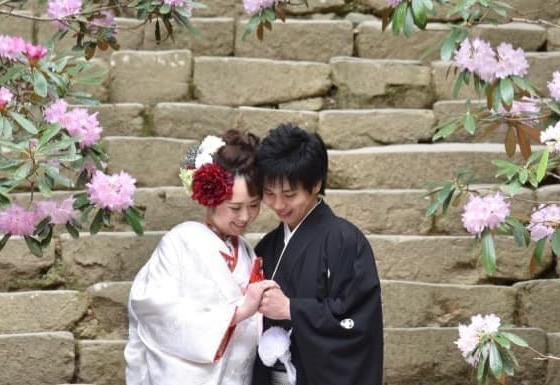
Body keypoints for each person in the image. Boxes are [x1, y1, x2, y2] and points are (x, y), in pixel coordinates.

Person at [125, 129, 277, 385]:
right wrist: (237, 313)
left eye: (254, 205)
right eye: (235, 207)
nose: (245, 217)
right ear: (210, 198)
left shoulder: (247, 252)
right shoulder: (180, 242)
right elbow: (154, 310)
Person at [252, 124, 384, 385]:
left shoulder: (345, 241)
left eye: (289, 194)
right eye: (269, 194)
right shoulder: (267, 246)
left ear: (315, 184)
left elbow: (357, 319)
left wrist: (292, 309)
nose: (278, 205)